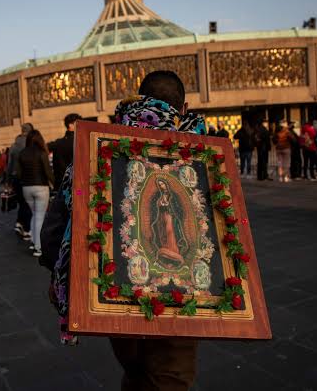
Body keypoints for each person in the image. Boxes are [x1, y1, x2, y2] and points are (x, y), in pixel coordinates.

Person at [47, 70, 205, 390]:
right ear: (183, 108)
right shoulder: (203, 152)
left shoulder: (99, 146)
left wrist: (63, 273)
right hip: (180, 293)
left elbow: (55, 226)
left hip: (116, 287)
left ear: (138, 100)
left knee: (134, 369)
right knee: (169, 376)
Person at [16, 130, 54, 257]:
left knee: (34, 215)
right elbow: (48, 172)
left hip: (26, 188)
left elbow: (19, 173)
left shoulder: (22, 153)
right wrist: (55, 183)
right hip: (41, 187)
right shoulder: (42, 153)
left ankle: (34, 241)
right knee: (40, 217)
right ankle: (39, 247)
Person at [7, 123, 34, 241]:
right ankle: (27, 229)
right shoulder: (30, 144)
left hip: (15, 177)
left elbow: (9, 165)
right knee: (28, 203)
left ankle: (19, 223)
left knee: (22, 202)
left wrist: (8, 180)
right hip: (27, 176)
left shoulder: (13, 145)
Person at [48, 113, 81, 189]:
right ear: (70, 125)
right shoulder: (80, 141)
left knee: (66, 200)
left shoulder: (58, 143)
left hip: (62, 183)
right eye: (78, 123)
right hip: (78, 184)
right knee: (79, 198)